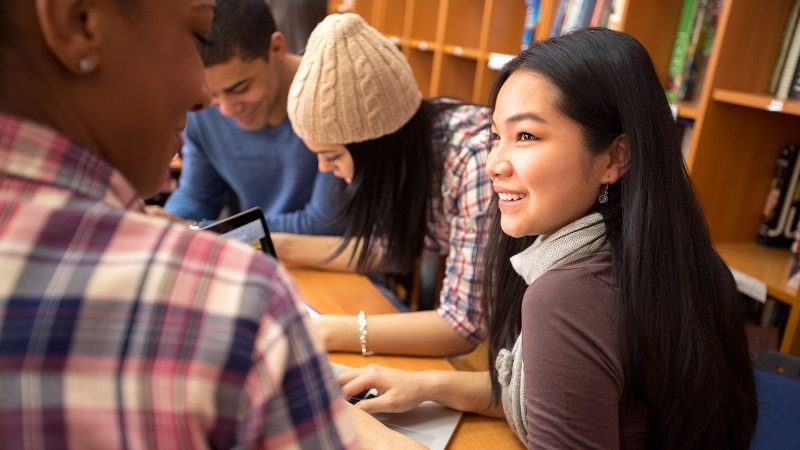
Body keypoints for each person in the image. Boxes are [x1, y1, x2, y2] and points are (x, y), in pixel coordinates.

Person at [336, 28, 758, 449]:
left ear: (615, 158)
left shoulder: (568, 296)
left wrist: (372, 436)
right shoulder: (654, 253)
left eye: (527, 136)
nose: (494, 164)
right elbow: (564, 396)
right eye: (495, 137)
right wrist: (429, 384)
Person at [0, 0, 359, 448]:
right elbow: (194, 197)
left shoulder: (322, 98)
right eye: (195, 35)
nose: (208, 100)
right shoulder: (241, 304)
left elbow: (328, 222)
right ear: (79, 22)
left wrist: (208, 235)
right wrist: (202, 238)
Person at [276, 13, 493, 357]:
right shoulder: (415, 146)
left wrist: (326, 331)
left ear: (377, 149)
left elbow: (461, 326)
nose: (324, 168)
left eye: (332, 156)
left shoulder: (477, 161)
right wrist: (279, 247)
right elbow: (386, 249)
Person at [162, 0, 345, 236]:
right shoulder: (205, 110)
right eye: (213, 93)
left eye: (240, 88)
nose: (226, 111)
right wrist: (168, 222)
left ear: (277, 48)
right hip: (258, 251)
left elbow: (323, 224)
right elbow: (197, 197)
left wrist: (207, 229)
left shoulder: (333, 98)